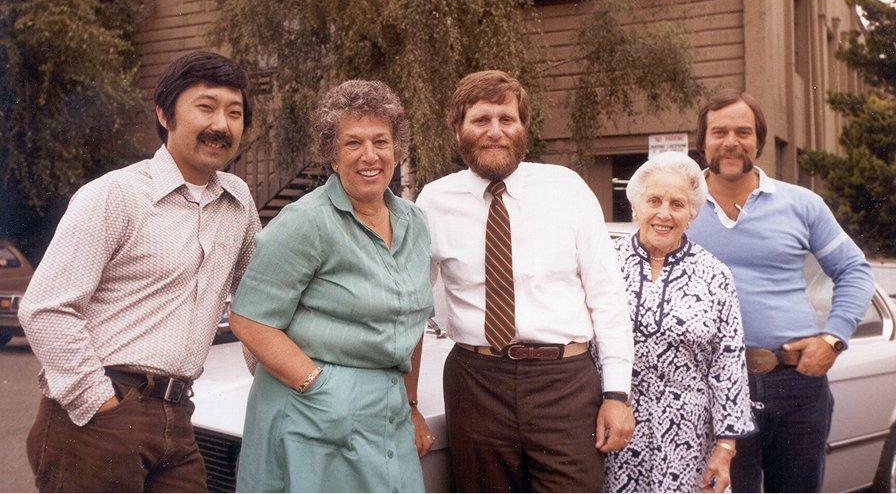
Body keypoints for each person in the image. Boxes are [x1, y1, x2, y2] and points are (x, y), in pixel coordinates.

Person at [19, 50, 260, 492]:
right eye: (205, 107)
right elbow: (45, 308)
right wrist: (100, 402)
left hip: (180, 415)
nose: (221, 125)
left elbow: (258, 297)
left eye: (234, 112)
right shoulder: (114, 195)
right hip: (98, 419)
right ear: (165, 114)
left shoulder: (238, 201)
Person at [415, 70, 635, 492]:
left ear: (524, 128)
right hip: (476, 383)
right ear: (457, 129)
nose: (495, 131)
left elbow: (608, 299)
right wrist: (405, 401)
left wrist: (617, 395)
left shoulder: (567, 189)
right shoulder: (433, 200)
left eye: (507, 119)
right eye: (481, 120)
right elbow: (411, 306)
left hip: (565, 386)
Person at [230, 80, 435, 493]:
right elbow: (250, 319)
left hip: (387, 416)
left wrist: (411, 406)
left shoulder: (414, 223)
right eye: (353, 143)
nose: (369, 156)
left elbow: (410, 323)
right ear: (332, 155)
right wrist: (320, 387)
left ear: (397, 149)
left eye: (381, 141)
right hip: (311, 420)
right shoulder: (306, 221)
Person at [688, 89, 875, 492]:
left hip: (795, 385)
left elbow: (855, 271)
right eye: (719, 132)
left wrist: (833, 338)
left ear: (759, 140)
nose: (732, 142)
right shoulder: (679, 208)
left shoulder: (802, 205)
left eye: (744, 131)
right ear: (702, 141)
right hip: (709, 387)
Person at [604, 151, 754, 493]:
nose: (664, 213)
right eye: (654, 200)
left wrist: (726, 447)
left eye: (677, 204)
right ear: (635, 206)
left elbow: (728, 365)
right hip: (616, 430)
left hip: (689, 440)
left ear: (691, 215)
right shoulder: (605, 262)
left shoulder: (715, 275)